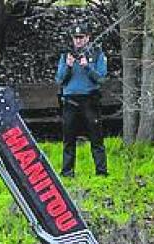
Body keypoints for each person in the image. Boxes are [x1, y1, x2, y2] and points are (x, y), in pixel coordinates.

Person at [55, 24, 108, 178]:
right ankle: (67, 172)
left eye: (81, 37)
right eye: (76, 38)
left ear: (87, 38)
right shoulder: (66, 55)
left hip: (89, 100)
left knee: (96, 138)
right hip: (70, 101)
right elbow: (60, 79)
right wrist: (69, 66)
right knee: (69, 139)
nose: (78, 41)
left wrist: (87, 67)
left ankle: (101, 172)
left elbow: (101, 78)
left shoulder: (97, 54)